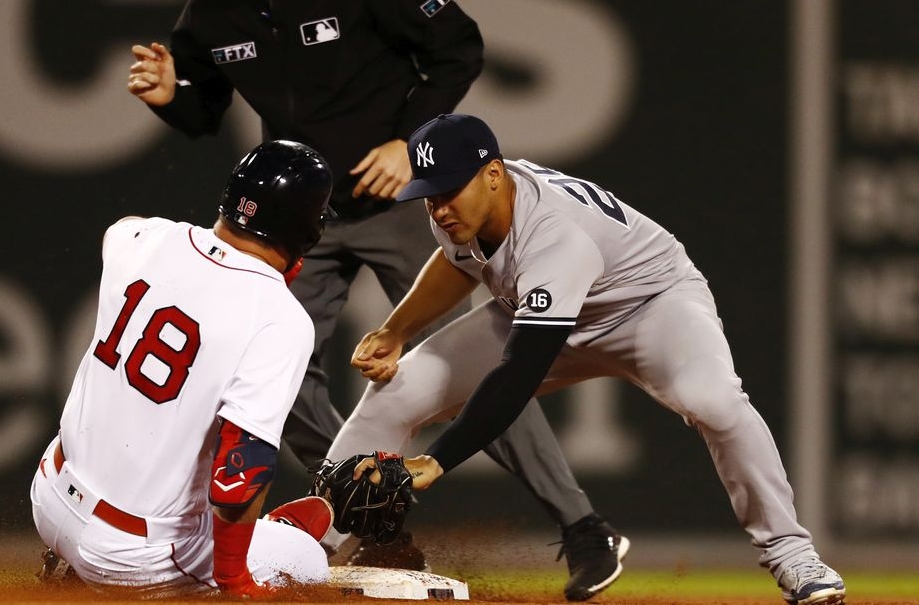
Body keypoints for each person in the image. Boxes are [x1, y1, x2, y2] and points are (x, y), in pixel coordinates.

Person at [125, 0, 621, 592]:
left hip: (404, 205)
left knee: (478, 366)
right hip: (304, 226)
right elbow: (204, 113)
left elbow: (459, 45)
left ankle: (584, 528)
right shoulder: (212, 9)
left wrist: (412, 143)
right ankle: (373, 518)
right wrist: (172, 96)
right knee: (272, 375)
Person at [331, 113, 847, 605]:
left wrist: (437, 460)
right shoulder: (467, 205)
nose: (439, 207)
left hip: (649, 307)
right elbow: (457, 262)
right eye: (429, 195)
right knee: (395, 391)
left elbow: (519, 372)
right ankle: (313, 547)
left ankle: (793, 553)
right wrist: (397, 328)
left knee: (715, 402)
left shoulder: (554, 232)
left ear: (493, 174)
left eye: (448, 191)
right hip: (540, 307)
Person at [31, 140, 337, 597]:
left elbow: (118, 229)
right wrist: (233, 579)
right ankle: (276, 537)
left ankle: (70, 558)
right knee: (309, 562)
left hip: (48, 496)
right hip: (130, 552)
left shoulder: (144, 237)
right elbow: (242, 466)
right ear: (307, 231)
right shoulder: (281, 317)